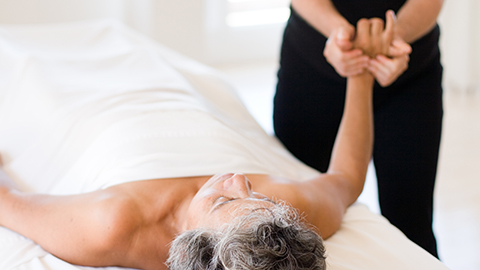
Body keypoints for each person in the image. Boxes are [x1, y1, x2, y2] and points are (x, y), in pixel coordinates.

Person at [0, 18, 394, 270]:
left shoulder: (112, 225)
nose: (237, 179)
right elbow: (347, 176)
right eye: (259, 196)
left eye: (223, 202)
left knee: (31, 71)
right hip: (189, 106)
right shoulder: (283, 217)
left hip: (99, 116)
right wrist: (360, 76)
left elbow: (9, 202)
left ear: (191, 248)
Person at [273, 0, 443, 257]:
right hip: (311, 69)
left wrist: (393, 39)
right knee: (294, 218)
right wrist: (341, 34)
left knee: (411, 221)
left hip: (409, 73)